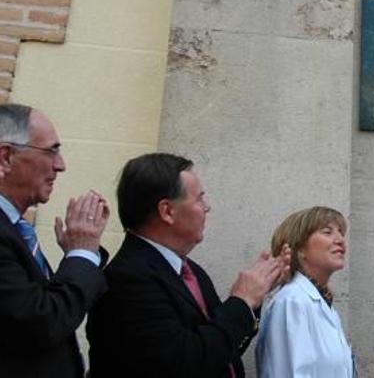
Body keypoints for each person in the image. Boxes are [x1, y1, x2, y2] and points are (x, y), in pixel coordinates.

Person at [86, 152, 290, 377]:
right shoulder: (128, 280)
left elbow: (222, 351)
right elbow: (185, 363)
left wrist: (254, 298)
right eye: (199, 199)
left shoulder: (192, 272)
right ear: (167, 211)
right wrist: (241, 301)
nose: (207, 207)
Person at [0, 103, 110, 378]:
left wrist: (82, 256)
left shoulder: (14, 229)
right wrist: (81, 256)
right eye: (51, 151)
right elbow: (40, 323)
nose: (61, 165)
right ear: (5, 158)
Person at [256, 206, 354, 377]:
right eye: (327, 232)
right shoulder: (292, 302)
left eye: (340, 232)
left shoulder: (323, 304)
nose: (340, 240)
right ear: (300, 248)